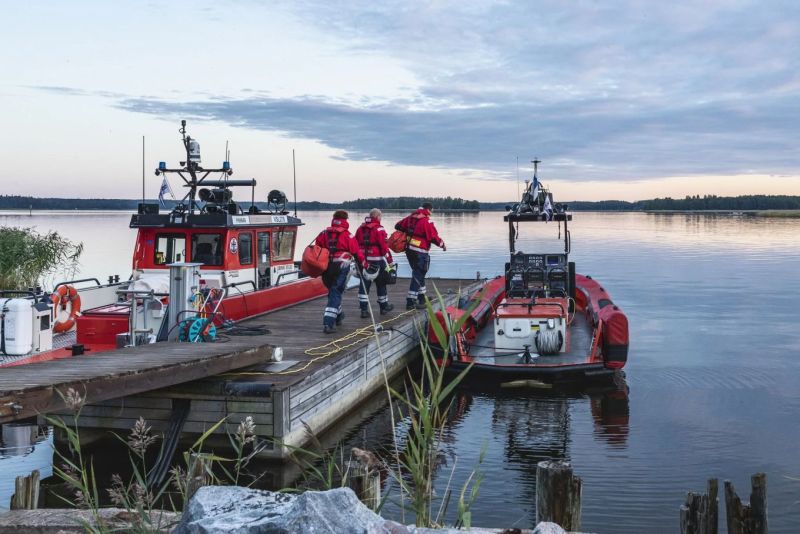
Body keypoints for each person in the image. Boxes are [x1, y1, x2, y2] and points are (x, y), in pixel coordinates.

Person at [315, 210, 367, 333]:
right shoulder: (348, 235)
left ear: (334, 219)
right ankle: (328, 323)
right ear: (345, 220)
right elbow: (357, 252)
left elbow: (317, 249)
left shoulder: (323, 233)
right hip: (341, 266)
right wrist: (364, 265)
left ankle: (338, 316)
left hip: (326, 266)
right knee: (336, 291)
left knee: (333, 291)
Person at [394, 202, 446, 310]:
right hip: (420, 251)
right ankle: (410, 301)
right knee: (418, 274)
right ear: (429, 210)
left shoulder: (411, 217)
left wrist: (408, 233)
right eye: (432, 211)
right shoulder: (426, 221)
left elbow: (397, 226)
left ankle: (422, 298)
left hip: (409, 250)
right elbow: (433, 237)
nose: (431, 213)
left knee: (419, 273)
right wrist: (442, 245)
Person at [355, 208, 395, 318]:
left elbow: (355, 244)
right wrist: (390, 261)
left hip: (364, 261)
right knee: (381, 283)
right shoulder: (379, 229)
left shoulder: (360, 228)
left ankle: (363, 310)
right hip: (377, 260)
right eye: (380, 216)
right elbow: (384, 247)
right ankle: (383, 307)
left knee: (364, 285)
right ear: (377, 217)